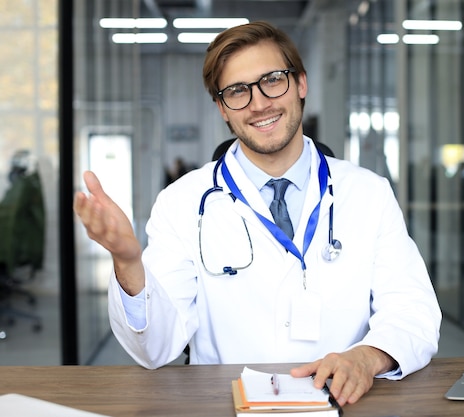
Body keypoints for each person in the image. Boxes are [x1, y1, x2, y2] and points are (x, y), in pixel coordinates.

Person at [73, 21, 441, 406]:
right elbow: (156, 349)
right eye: (237, 91)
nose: (259, 102)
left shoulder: (370, 193)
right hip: (225, 405)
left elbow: (413, 311)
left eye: (272, 80)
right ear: (222, 109)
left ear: (301, 84)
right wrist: (128, 262)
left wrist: (367, 358)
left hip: (346, 403)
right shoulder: (181, 202)